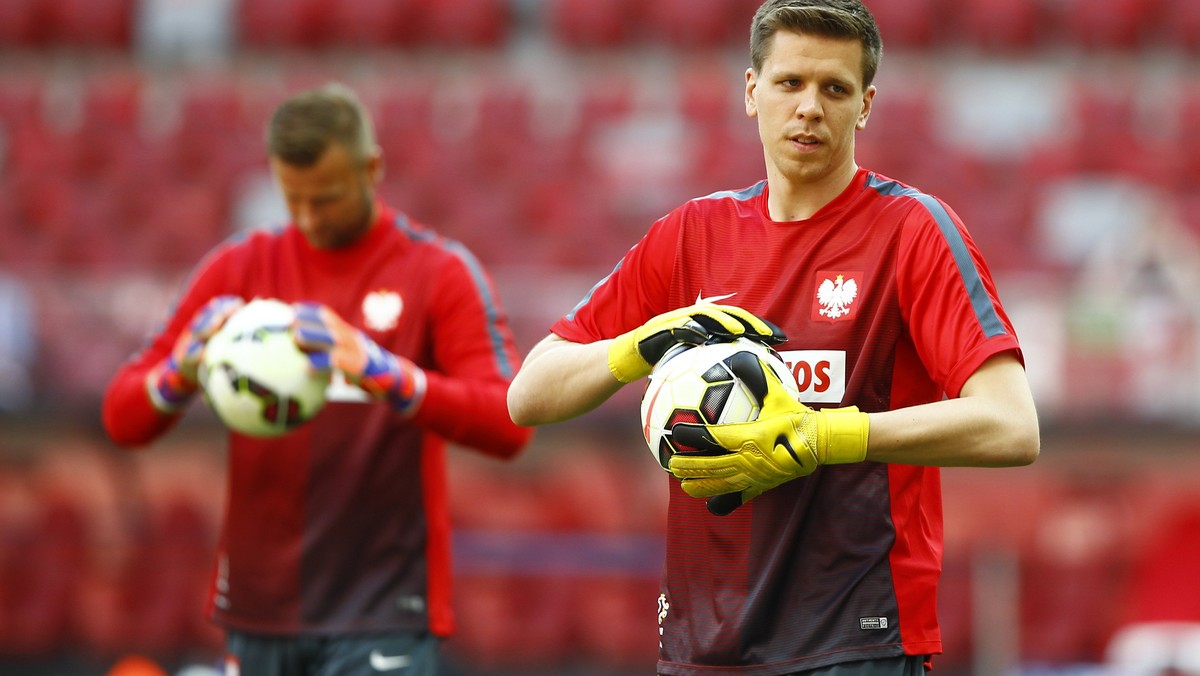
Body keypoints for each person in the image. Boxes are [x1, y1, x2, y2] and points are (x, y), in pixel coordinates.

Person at [507, 1, 1040, 674]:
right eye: (790, 83)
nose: (810, 107)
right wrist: (641, 343)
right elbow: (528, 395)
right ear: (752, 90)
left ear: (866, 105)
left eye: (835, 89)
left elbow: (1012, 426)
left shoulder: (914, 231)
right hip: (708, 640)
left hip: (858, 635)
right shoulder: (690, 236)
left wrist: (826, 439)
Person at [102, 82, 533, 675]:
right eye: (292, 198)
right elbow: (122, 418)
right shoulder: (239, 268)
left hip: (383, 607)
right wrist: (181, 371)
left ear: (372, 167)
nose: (308, 217)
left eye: (326, 198)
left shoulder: (438, 272)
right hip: (259, 606)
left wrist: (385, 373)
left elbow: (510, 423)